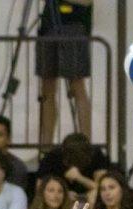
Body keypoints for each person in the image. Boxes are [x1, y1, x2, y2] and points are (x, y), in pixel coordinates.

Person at [36, 0, 93, 146]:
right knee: (47, 89)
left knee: (77, 86)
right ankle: (46, 145)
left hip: (74, 26)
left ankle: (85, 143)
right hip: (48, 26)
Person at [36, 132, 111, 198]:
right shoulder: (53, 156)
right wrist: (63, 193)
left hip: (88, 197)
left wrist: (79, 177)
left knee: (93, 195)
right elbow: (40, 188)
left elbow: (102, 188)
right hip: (61, 198)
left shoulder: (96, 155)